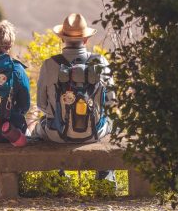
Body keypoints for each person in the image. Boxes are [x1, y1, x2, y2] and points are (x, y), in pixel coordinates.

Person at [32, 13, 117, 182]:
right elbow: (111, 100)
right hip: (95, 133)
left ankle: (58, 178)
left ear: (62, 39)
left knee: (37, 128)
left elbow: (41, 105)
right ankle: (105, 177)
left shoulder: (49, 65)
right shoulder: (100, 61)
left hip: (57, 134)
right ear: (85, 40)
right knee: (113, 123)